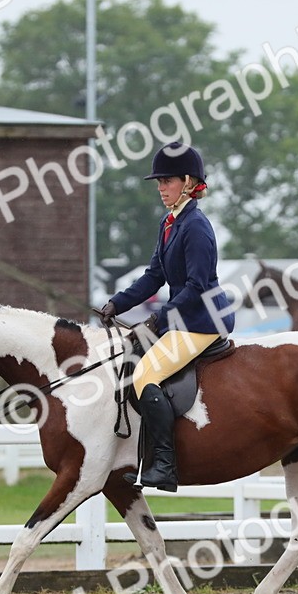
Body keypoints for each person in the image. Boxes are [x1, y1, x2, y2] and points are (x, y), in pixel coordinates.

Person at [98, 142, 235, 491]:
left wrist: (158, 319)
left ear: (188, 182)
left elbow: (196, 286)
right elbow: (154, 276)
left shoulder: (197, 227)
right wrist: (118, 303)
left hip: (204, 320)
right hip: (184, 317)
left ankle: (163, 464)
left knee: (146, 375)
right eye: (158, 182)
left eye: (167, 181)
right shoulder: (170, 222)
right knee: (128, 357)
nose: (160, 188)